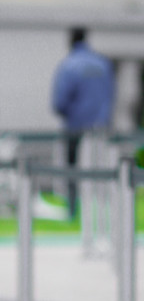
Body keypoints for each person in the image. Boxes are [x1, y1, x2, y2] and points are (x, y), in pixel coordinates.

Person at [52, 28, 116, 218]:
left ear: (71, 40)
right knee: (101, 171)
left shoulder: (69, 65)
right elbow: (111, 94)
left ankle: (72, 209)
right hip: (101, 128)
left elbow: (59, 102)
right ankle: (102, 212)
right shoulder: (103, 64)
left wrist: (70, 114)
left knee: (73, 171)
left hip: (75, 127)